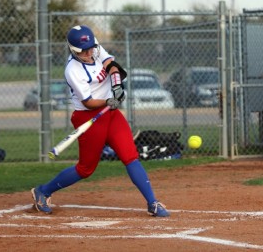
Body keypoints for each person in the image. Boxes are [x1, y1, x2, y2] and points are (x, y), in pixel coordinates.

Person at [30, 25, 169, 217]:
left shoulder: (94, 48)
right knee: (85, 169)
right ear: (73, 50)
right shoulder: (73, 70)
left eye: (90, 49)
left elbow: (111, 65)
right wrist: (108, 101)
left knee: (130, 156)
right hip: (89, 116)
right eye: (83, 51)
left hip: (110, 114)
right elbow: (88, 102)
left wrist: (117, 85)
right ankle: (43, 191)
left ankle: (152, 203)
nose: (89, 53)